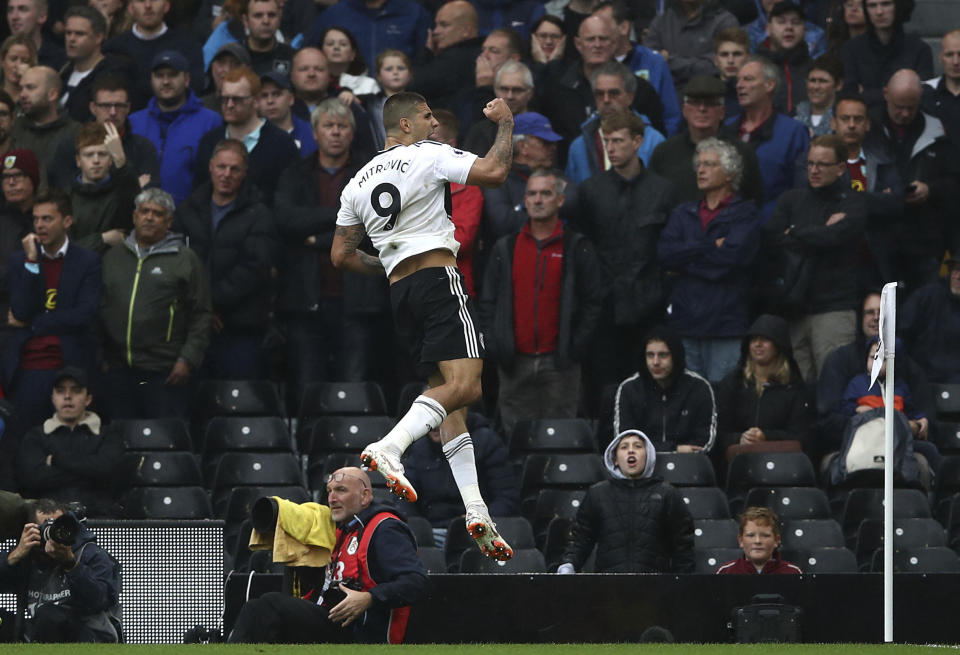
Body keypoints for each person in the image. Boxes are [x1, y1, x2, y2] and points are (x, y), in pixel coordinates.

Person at [331, 92, 516, 560]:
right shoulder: (427, 155)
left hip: (401, 294)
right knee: (469, 385)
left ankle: (476, 509)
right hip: (438, 282)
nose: (435, 123)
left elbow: (340, 255)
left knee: (449, 403)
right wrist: (507, 125)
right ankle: (391, 446)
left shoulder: (355, 183)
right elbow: (494, 173)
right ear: (406, 124)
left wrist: (389, 262)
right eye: (428, 115)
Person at [228, 467, 428, 644]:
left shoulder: (385, 528)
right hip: (334, 621)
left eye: (341, 490)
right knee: (257, 606)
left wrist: (369, 598)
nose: (332, 498)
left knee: (269, 605)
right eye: (329, 491)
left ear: (365, 496)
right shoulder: (341, 530)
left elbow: (416, 582)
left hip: (362, 632)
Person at [274, 99, 383, 411]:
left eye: (342, 126)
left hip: (357, 301)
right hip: (306, 300)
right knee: (309, 391)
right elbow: (285, 220)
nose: (336, 132)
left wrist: (312, 239)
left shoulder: (370, 173)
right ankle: (312, 458)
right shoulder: (296, 172)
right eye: (328, 126)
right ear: (315, 132)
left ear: (352, 132)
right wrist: (341, 217)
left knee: (354, 389)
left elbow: (372, 225)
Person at [479, 168, 603, 432]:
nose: (537, 200)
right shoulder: (506, 247)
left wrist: (574, 348)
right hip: (514, 363)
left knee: (560, 440)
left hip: (560, 364)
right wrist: (497, 346)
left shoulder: (576, 246)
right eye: (532, 194)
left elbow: (593, 302)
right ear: (524, 200)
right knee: (516, 444)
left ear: (560, 200)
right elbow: (488, 302)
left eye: (545, 193)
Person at [572, 110, 673, 396]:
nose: (611, 148)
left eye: (617, 141)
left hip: (649, 304)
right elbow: (585, 247)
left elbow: (667, 248)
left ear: (637, 141)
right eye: (606, 141)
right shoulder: (591, 190)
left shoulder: (662, 190)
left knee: (651, 385)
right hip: (606, 305)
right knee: (607, 388)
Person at [99, 188, 213, 420]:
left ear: (169, 221)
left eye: (158, 214)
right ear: (134, 217)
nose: (149, 218)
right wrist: (100, 358)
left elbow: (202, 314)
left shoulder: (185, 259)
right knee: (122, 443)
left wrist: (187, 359)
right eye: (144, 211)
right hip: (118, 369)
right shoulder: (113, 257)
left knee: (164, 443)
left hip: (164, 370)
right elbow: (98, 309)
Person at [762, 134, 867, 383]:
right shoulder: (792, 199)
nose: (814, 170)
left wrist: (796, 231)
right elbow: (772, 238)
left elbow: (835, 237)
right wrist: (820, 229)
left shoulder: (854, 202)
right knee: (795, 386)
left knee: (833, 384)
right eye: (810, 164)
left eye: (822, 165)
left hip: (834, 308)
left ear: (841, 168)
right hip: (794, 308)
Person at [657, 137, 763, 382]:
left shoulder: (745, 214)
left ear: (729, 173)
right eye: (699, 164)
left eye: (710, 164)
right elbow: (665, 255)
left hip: (725, 324)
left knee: (722, 399)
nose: (701, 170)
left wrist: (687, 260)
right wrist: (709, 246)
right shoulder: (684, 212)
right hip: (685, 322)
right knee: (689, 397)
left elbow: (730, 261)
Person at [174, 139, 278, 380]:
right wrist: (202, 310)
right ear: (210, 166)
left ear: (245, 173)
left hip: (240, 325)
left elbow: (254, 268)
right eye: (221, 167)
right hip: (193, 327)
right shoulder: (188, 209)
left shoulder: (258, 213)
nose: (226, 174)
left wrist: (210, 306)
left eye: (234, 169)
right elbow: (177, 264)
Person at [4, 188, 101, 437]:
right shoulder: (21, 260)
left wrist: (35, 324)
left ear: (67, 221)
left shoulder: (87, 261)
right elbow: (21, 309)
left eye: (47, 219)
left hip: (68, 363)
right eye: (36, 219)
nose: (39, 225)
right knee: (24, 441)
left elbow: (84, 314)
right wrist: (32, 263)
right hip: (28, 366)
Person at [869, 69, 958, 292]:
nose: (905, 113)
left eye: (911, 106)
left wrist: (930, 189)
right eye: (899, 106)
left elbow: (954, 181)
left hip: (924, 237)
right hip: (878, 235)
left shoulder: (938, 130)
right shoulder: (868, 128)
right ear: (886, 94)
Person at [556, 429, 695, 573]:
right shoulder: (597, 493)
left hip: (654, 588)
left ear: (648, 455)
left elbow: (683, 546)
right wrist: (569, 564)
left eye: (638, 446)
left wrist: (681, 585)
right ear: (615, 458)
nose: (631, 451)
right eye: (624, 447)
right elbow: (582, 539)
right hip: (608, 587)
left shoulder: (667, 494)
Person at [818, 290, 934, 456]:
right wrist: (879, 424)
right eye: (870, 312)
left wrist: (919, 424)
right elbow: (829, 420)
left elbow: (922, 415)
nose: (876, 317)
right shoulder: (839, 360)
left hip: (903, 449)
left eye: (882, 313)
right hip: (849, 448)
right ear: (861, 318)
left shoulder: (908, 366)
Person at [0, 498, 121, 641]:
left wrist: (71, 563)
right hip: (41, 631)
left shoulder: (90, 553)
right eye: (45, 527)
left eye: (59, 525)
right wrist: (14, 556)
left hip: (88, 634)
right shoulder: (27, 555)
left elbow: (99, 601)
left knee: (49, 615)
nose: (53, 533)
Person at [15, 367, 124, 515]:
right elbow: (34, 479)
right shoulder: (35, 436)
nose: (67, 396)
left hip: (100, 516)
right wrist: (90, 470)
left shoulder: (108, 434)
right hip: (48, 519)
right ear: (53, 398)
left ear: (88, 399)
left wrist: (56, 460)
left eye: (76, 390)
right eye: (60, 391)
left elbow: (108, 472)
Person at [648, 75, 764, 208]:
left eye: (710, 103)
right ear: (685, 110)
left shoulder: (741, 153)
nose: (702, 109)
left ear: (722, 112)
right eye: (695, 102)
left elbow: (753, 203)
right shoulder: (665, 152)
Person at [404, 412, 520, 545]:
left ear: (459, 413)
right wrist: (419, 528)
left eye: (440, 416)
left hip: (478, 533)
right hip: (433, 534)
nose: (434, 425)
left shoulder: (486, 442)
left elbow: (507, 497)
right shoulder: (419, 448)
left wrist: (480, 519)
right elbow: (404, 498)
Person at [193, 65, 299, 205]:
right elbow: (200, 194)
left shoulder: (282, 144)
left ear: (256, 101)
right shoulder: (209, 141)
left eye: (237, 99)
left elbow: (290, 199)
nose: (229, 105)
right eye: (225, 99)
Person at [128, 51, 222, 206]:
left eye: (172, 75)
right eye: (159, 75)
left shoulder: (210, 121)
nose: (165, 81)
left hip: (190, 216)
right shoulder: (134, 122)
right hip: (140, 216)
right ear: (151, 80)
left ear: (186, 79)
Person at [720, 55, 810, 218]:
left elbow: (801, 189)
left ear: (769, 85)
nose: (740, 86)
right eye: (738, 81)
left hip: (772, 226)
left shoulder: (793, 132)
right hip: (726, 226)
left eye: (748, 79)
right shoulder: (726, 128)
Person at [715, 314, 812, 455]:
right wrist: (739, 439)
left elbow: (802, 436)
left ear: (778, 345)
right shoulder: (733, 382)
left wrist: (766, 437)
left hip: (782, 462)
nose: (757, 344)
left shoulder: (793, 387)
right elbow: (718, 433)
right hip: (739, 462)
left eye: (765, 339)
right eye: (753, 339)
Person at [613, 328, 717, 453]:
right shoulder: (629, 389)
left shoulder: (698, 387)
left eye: (663, 355)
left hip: (687, 464)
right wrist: (674, 449)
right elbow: (625, 441)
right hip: (642, 466)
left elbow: (704, 442)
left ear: (675, 356)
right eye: (650, 355)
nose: (656, 362)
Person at [49, 73, 160, 190]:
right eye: (106, 105)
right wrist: (134, 185)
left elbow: (149, 195)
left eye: (119, 105)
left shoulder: (143, 148)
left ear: (128, 108)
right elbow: (63, 190)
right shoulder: (71, 144)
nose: (113, 112)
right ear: (93, 108)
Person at [564, 61, 666, 184]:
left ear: (630, 97)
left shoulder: (653, 141)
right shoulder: (578, 146)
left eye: (614, 93)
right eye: (600, 94)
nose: (606, 100)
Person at [594, 0, 681, 136]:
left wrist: (658, 149)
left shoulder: (654, 62)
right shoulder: (594, 64)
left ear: (624, 27)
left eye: (603, 26)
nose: (597, 33)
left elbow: (671, 117)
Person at [102, 0, 204, 110]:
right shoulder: (113, 47)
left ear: (166, 6)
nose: (148, 5)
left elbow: (195, 87)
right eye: (141, 1)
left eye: (154, 0)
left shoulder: (188, 45)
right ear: (130, 8)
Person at [481, 111, 563, 245]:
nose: (553, 147)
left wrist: (520, 209)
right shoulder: (499, 178)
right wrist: (548, 212)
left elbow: (571, 200)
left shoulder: (555, 174)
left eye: (553, 143)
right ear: (522, 146)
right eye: (545, 142)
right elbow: (503, 222)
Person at [839, 0, 932, 110]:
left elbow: (923, 96)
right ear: (866, 10)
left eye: (886, 4)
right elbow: (850, 96)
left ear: (898, 6)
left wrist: (867, 93)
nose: (879, 12)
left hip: (906, 121)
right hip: (865, 122)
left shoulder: (919, 49)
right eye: (872, 5)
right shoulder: (851, 49)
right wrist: (900, 94)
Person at [68, 121, 139, 255]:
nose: (96, 160)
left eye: (102, 154)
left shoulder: (121, 193)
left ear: (111, 159)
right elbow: (62, 250)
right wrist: (102, 239)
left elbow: (135, 205)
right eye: (89, 155)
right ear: (78, 160)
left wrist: (121, 161)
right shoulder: (65, 198)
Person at [304, 0, 431, 72]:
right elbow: (311, 55)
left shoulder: (414, 13)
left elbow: (424, 61)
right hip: (345, 97)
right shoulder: (334, 14)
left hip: (399, 99)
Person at [58, 5, 131, 123]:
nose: (71, 39)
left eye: (79, 34)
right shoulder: (62, 72)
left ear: (98, 37)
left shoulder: (113, 73)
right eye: (68, 33)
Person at [644, 0, 738, 91]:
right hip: (667, 96)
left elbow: (716, 67)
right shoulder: (662, 21)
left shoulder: (726, 22)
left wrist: (669, 61)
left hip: (709, 97)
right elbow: (648, 62)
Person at [408, 0, 483, 113]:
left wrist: (427, 52)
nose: (435, 31)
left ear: (466, 31)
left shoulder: (455, 59)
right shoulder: (478, 52)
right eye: (436, 25)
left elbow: (412, 84)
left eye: (444, 25)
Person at [901, 257, 960, 384]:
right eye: (955, 269)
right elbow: (901, 334)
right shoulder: (927, 296)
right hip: (923, 382)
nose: (958, 276)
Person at [11, 66, 79, 175]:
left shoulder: (75, 133)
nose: (22, 95)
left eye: (30, 87)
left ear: (52, 94)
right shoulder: (14, 128)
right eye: (21, 89)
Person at [755, 1, 811, 115]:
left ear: (805, 30)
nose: (789, 27)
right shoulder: (755, 67)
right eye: (781, 22)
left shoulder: (813, 68)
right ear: (768, 28)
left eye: (796, 22)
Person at [715, 506, 802, 574]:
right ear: (741, 540)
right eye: (751, 535)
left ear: (776, 540)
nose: (757, 541)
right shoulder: (726, 572)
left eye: (765, 536)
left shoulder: (793, 572)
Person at [258, 70, 317, 156]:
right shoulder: (251, 137)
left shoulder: (312, 133)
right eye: (264, 95)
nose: (270, 101)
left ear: (291, 99)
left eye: (277, 94)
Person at [922, 30, 960, 159]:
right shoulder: (925, 93)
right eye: (949, 55)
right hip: (936, 172)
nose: (956, 61)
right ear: (940, 58)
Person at [745, 0, 827, 59]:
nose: (774, 1)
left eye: (795, 22)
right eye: (781, 22)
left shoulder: (816, 35)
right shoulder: (748, 33)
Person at [794, 54, 844, 138]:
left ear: (838, 85)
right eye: (812, 80)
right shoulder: (793, 116)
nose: (816, 87)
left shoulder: (846, 119)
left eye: (823, 81)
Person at [6, 0, 65, 70]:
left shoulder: (60, 60)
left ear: (42, 16)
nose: (14, 17)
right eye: (10, 10)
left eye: (23, 9)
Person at [0, 34, 38, 102]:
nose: (18, 65)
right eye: (13, 59)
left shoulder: (36, 98)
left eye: (25, 61)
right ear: (2, 61)